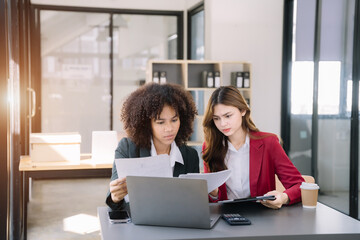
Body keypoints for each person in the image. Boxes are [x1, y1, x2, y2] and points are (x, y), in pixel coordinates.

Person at [202, 86, 304, 209]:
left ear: (243, 111)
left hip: (262, 216)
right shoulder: (210, 146)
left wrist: (283, 197)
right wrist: (212, 193)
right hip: (226, 217)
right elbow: (212, 200)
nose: (223, 124)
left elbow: (299, 186)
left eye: (228, 116)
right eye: (216, 118)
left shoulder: (269, 143)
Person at [106, 83, 199, 210]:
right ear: (146, 124)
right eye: (160, 122)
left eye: (174, 120)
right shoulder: (127, 148)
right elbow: (115, 205)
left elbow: (193, 205)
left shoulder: (190, 156)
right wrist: (115, 198)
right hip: (140, 224)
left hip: (177, 224)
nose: (169, 129)